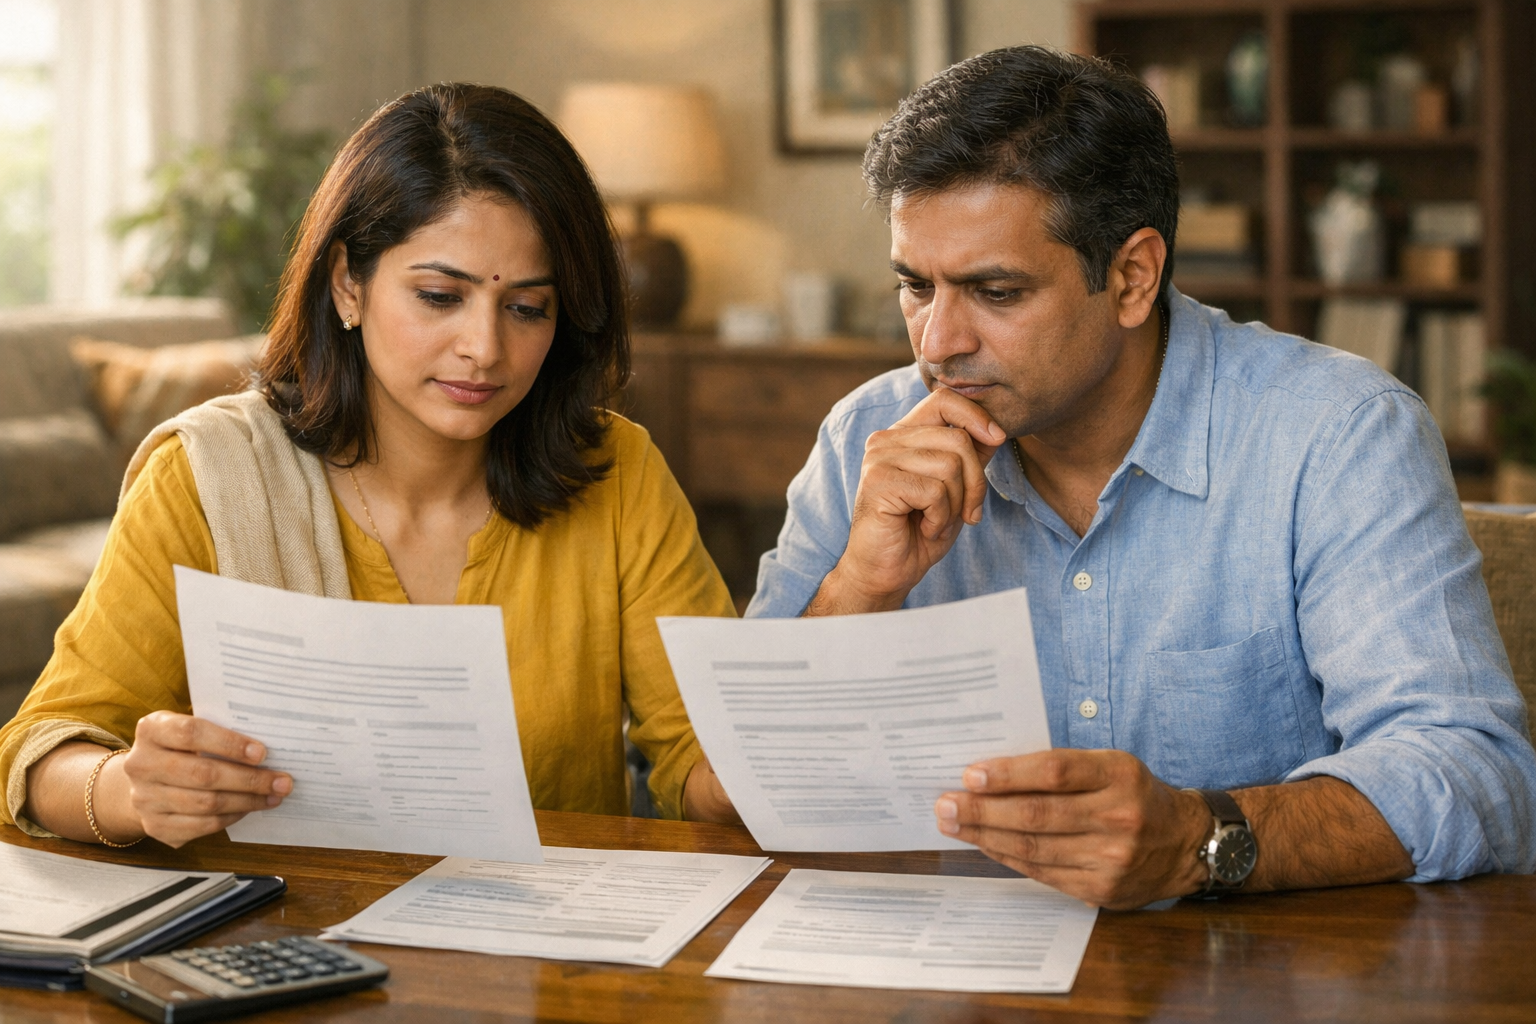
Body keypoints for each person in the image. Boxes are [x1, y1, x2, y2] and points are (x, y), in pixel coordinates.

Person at [748, 47, 1536, 908]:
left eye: (996, 292)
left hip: (1259, 978)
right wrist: (860, 587)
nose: (936, 343)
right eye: (915, 286)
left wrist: (1204, 837)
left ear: (1132, 276)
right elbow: (730, 778)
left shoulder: (1337, 435)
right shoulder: (866, 434)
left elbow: (1477, 773)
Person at [1, 83, 739, 849]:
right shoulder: (208, 478)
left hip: (546, 959)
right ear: (347, 283)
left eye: (527, 308)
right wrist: (124, 788)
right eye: (438, 296)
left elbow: (697, 759)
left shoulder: (614, 472)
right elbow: (41, 751)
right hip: (286, 948)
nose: (484, 349)